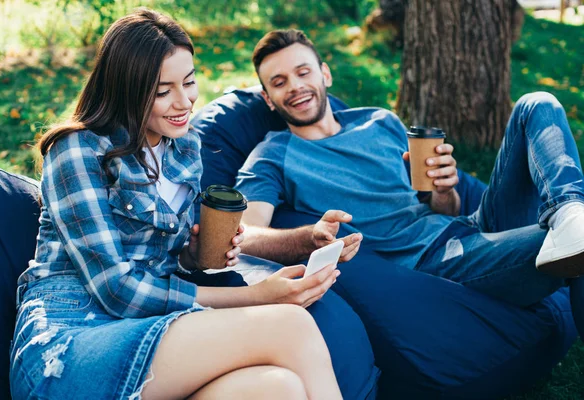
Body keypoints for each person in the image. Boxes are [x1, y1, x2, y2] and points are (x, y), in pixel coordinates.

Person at [10, 11, 345, 400]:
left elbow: (170, 260)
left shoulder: (184, 148)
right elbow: (118, 289)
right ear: (127, 89)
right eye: (162, 90)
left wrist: (197, 252)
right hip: (69, 342)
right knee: (291, 326)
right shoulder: (77, 150)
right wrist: (255, 296)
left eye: (188, 82)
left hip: (152, 333)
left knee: (278, 388)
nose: (184, 102)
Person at [235, 28, 584, 312]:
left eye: (303, 72)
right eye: (279, 82)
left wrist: (444, 190)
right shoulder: (272, 154)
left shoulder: (380, 120)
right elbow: (245, 234)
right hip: (433, 259)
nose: (295, 86)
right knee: (569, 245)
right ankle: (570, 228)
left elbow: (443, 207)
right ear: (268, 98)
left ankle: (568, 211)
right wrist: (306, 238)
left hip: (469, 226)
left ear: (324, 74)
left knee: (535, 104)